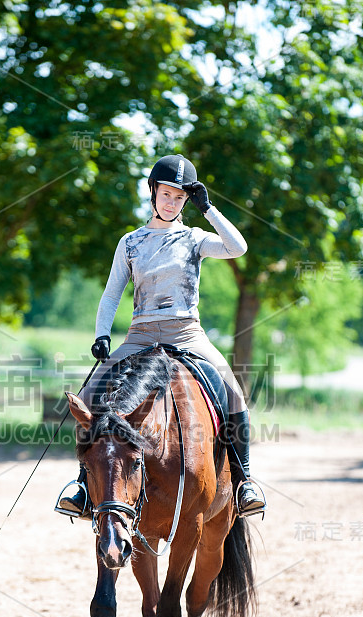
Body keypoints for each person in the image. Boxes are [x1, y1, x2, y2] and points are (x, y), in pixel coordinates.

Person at [56, 154, 266, 518]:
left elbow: (237, 248)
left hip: (186, 332)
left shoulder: (195, 238)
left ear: (187, 201)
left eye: (179, 197)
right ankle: (81, 484)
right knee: (88, 400)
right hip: (140, 332)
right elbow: (110, 295)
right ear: (152, 193)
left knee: (233, 393)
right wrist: (102, 335)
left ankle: (245, 481)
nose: (171, 203)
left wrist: (209, 209)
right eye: (166, 194)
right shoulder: (131, 242)